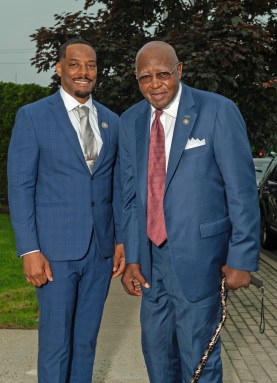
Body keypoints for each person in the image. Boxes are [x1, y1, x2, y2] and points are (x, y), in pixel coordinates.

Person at [120, 41, 260, 383]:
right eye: (145, 77)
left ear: (179, 70)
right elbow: (130, 197)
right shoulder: (130, 121)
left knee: (199, 354)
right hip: (152, 263)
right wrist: (134, 258)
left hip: (201, 258)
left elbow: (241, 191)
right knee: (156, 353)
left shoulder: (217, 111)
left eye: (162, 74)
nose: (154, 84)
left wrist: (242, 258)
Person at [8, 38, 125, 383]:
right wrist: (30, 249)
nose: (83, 72)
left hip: (101, 253)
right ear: (59, 68)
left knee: (86, 342)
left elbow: (116, 186)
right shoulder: (32, 117)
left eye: (90, 65)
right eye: (74, 64)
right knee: (57, 342)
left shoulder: (111, 122)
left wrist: (119, 240)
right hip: (54, 253)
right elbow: (21, 187)